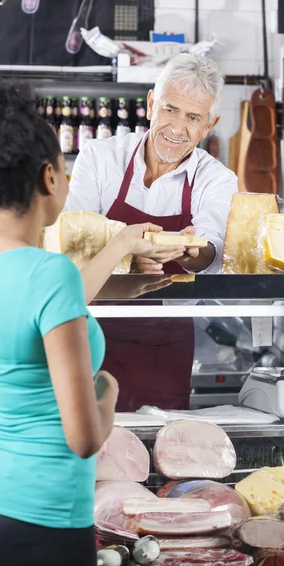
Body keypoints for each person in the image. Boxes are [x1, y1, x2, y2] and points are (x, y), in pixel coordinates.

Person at [0, 80, 177, 566]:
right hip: (39, 519)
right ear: (50, 177)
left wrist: (120, 246)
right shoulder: (48, 275)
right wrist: (107, 391)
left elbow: (46, 300)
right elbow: (85, 439)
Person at [67, 53, 238, 412]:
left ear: (210, 124)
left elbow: (214, 251)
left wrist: (193, 251)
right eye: (170, 109)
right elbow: (73, 240)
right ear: (150, 104)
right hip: (91, 327)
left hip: (166, 337)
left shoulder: (217, 179)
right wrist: (126, 256)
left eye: (193, 118)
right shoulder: (99, 157)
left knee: (161, 444)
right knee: (86, 440)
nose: (177, 128)